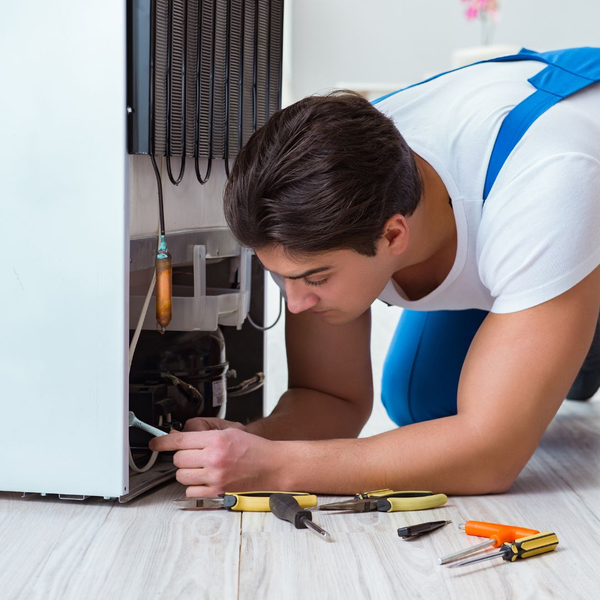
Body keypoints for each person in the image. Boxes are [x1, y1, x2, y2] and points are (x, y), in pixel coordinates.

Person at [150, 47, 600, 498]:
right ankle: (553, 335)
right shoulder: (325, 191)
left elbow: (491, 458)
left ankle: (575, 336)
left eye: (316, 279)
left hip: (568, 191)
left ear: (392, 236)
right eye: (281, 276)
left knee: (479, 431)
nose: (296, 303)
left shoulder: (547, 187)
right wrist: (251, 443)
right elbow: (331, 399)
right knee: (421, 401)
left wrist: (277, 468)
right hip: (510, 239)